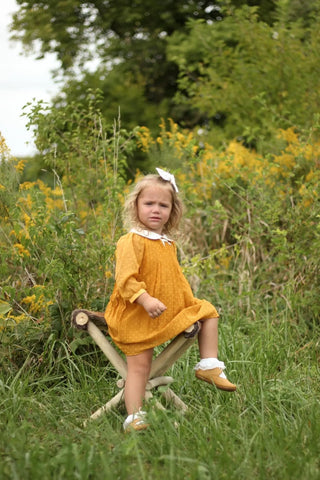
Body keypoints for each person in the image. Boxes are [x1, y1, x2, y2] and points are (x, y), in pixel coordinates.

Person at [104, 168, 236, 432]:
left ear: (172, 211)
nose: (156, 210)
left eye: (163, 205)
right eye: (149, 203)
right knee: (139, 368)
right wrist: (145, 299)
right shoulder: (131, 240)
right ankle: (135, 416)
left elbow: (175, 282)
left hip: (164, 311)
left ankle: (209, 365)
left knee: (208, 312)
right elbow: (125, 279)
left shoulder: (166, 243)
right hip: (136, 314)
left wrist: (188, 305)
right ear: (136, 206)